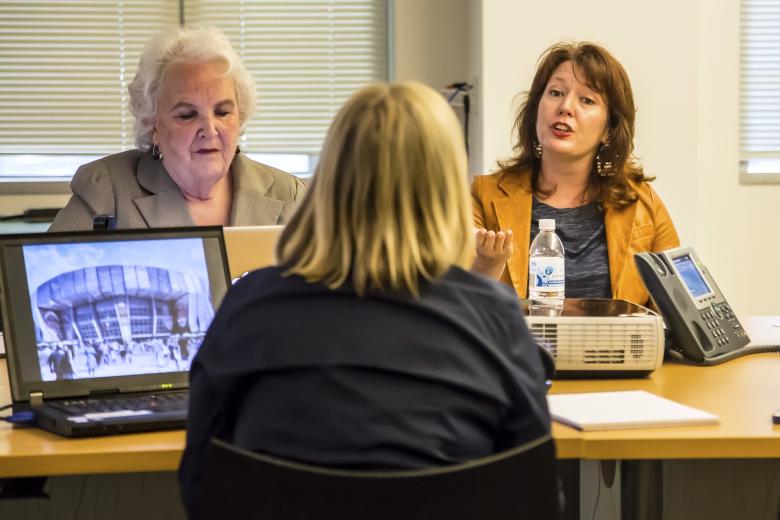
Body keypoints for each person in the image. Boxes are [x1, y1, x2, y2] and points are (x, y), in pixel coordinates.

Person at [178, 82, 552, 517]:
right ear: (445, 192)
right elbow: (535, 495)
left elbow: (201, 485)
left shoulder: (248, 308)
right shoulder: (493, 316)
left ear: (330, 180)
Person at [471, 42, 680, 306]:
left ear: (608, 130)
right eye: (556, 92)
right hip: (516, 348)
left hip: (615, 348)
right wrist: (486, 266)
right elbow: (455, 309)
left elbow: (674, 313)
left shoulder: (642, 203)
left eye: (587, 100)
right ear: (537, 108)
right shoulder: (484, 195)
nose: (566, 107)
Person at [49, 26, 306, 231]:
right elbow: (39, 282)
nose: (209, 129)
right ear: (152, 125)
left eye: (223, 112)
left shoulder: (290, 195)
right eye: (187, 115)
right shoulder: (106, 190)